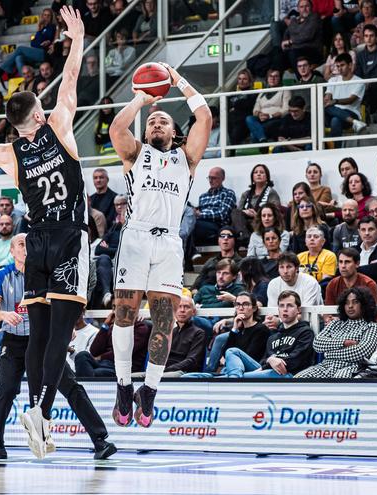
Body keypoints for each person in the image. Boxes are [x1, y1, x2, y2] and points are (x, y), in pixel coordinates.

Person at [0, 6, 95, 459]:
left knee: (39, 333)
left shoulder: (7, 152)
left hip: (36, 241)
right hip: (67, 237)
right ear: (40, 114)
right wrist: (77, 36)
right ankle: (41, 414)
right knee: (60, 335)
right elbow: (70, 77)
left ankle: (31, 405)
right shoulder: (61, 127)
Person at [105, 60, 211, 427]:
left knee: (163, 320)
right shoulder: (136, 154)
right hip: (135, 236)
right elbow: (117, 128)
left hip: (168, 242)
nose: (155, 123)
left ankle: (148, 390)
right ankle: (122, 385)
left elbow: (205, 117)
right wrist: (139, 99)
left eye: (163, 121)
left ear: (175, 131)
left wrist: (177, 80)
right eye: (152, 121)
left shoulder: (187, 158)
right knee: (126, 316)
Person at [0, 233, 116, 460]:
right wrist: (4, 314)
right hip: (15, 342)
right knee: (7, 390)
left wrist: (63, 329)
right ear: (12, 251)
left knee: (71, 387)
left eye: (30, 244)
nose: (27, 249)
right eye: (22, 245)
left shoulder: (47, 275)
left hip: (44, 341)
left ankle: (100, 440)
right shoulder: (3, 275)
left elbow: (59, 308)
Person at [295, 287, 377, 378]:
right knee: (299, 379)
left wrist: (328, 352)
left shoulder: (372, 327)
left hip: (353, 367)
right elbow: (317, 343)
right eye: (347, 303)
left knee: (339, 381)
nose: (350, 306)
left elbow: (361, 353)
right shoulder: (335, 323)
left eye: (355, 302)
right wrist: (343, 343)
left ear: (364, 304)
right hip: (326, 366)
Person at [231, 164, 282, 243]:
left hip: (261, 223)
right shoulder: (246, 194)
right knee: (234, 212)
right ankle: (244, 235)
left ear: (267, 177)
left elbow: (276, 213)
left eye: (262, 172)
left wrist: (257, 215)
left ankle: (245, 237)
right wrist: (245, 212)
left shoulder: (271, 192)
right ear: (252, 177)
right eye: (256, 172)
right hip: (245, 225)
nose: (258, 174)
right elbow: (238, 212)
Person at [323, 53, 367, 142]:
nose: (339, 68)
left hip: (351, 112)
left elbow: (351, 100)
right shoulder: (332, 80)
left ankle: (336, 152)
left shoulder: (359, 81)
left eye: (342, 65)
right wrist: (326, 100)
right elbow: (327, 98)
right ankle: (355, 122)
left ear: (350, 65)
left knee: (335, 120)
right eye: (337, 66)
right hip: (333, 113)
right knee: (327, 108)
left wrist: (335, 101)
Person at [191, 226, 242, 291]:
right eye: (222, 236)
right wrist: (194, 291)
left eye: (229, 236)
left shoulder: (241, 263)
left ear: (234, 240)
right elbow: (197, 283)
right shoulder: (211, 261)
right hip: (205, 296)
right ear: (218, 240)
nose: (225, 238)